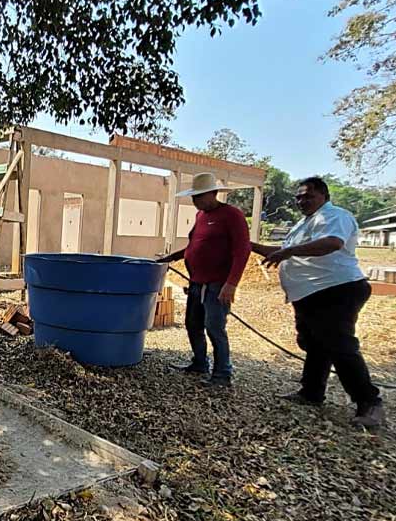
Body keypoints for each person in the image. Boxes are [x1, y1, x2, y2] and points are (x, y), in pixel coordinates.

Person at [251, 176, 384, 428]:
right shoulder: (303, 224)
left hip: (336, 289)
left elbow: (332, 243)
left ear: (324, 196)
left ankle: (369, 402)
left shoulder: (335, 216)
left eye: (307, 196)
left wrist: (287, 252)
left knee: (339, 346)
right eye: (298, 197)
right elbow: (280, 250)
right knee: (314, 344)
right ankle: (311, 392)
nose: (301, 201)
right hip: (309, 293)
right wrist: (249, 246)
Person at [158, 172, 251, 387]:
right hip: (196, 283)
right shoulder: (201, 217)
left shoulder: (232, 215)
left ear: (213, 193)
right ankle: (200, 362)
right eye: (193, 197)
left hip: (217, 284)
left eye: (199, 196)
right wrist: (170, 258)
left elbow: (242, 251)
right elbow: (193, 247)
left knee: (214, 328)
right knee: (193, 324)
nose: (195, 201)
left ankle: (222, 373)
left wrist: (231, 284)